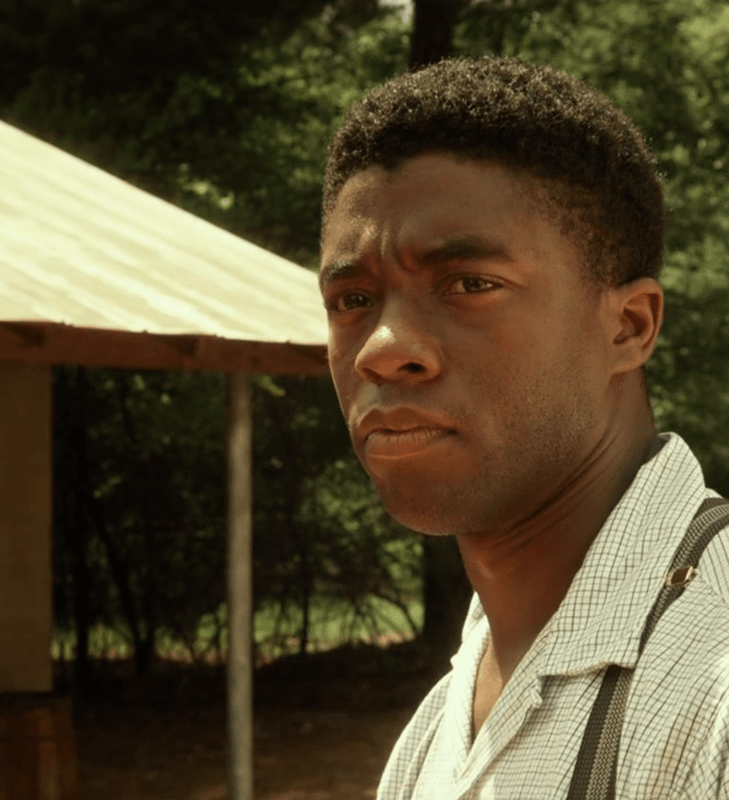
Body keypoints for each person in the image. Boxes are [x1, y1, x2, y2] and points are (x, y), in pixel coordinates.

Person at [318, 56, 729, 798]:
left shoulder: (710, 684)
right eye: (351, 300)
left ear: (629, 327)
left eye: (469, 284)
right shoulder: (433, 737)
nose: (382, 347)